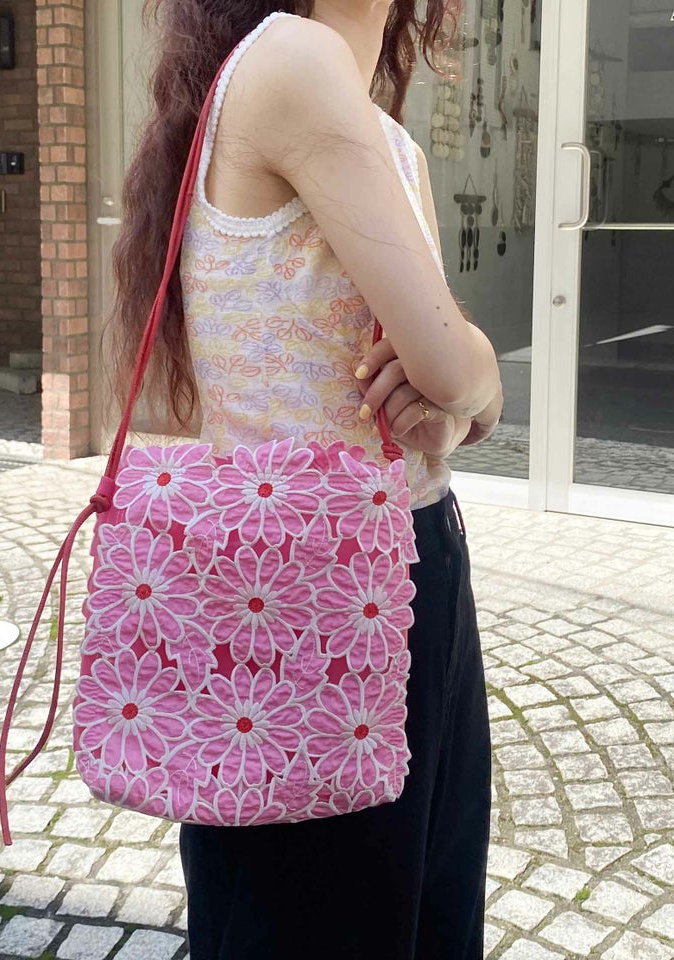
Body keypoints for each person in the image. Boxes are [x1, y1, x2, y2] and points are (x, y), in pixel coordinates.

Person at [109, 2, 504, 958]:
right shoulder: (294, 57)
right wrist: (477, 372)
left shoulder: (384, 134)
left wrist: (456, 398)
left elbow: (442, 401)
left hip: (403, 557)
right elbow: (452, 365)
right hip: (309, 589)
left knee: (404, 911)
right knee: (333, 917)